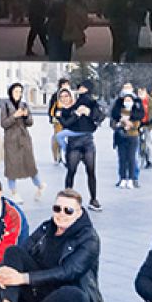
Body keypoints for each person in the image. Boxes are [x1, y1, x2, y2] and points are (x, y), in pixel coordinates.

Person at [0, 188, 106, 302]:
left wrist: (23, 278)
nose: (61, 214)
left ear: (79, 212)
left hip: (65, 291)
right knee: (12, 251)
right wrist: (0, 270)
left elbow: (69, 271)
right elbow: (23, 250)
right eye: (57, 209)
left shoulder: (89, 238)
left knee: (76, 298)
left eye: (68, 210)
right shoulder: (46, 227)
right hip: (38, 287)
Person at [57, 82, 103, 211]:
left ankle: (93, 199)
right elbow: (66, 124)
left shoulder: (87, 103)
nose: (65, 99)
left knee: (91, 171)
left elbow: (99, 117)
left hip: (88, 141)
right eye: (62, 97)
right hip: (74, 143)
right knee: (71, 171)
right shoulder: (62, 111)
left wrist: (88, 112)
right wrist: (77, 114)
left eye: (67, 96)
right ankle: (66, 200)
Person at [0, 83, 44, 201]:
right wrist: (15, 116)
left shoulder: (24, 104)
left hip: (24, 139)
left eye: (20, 91)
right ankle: (14, 193)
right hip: (11, 140)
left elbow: (30, 122)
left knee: (30, 165)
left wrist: (25, 116)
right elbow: (3, 124)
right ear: (10, 92)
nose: (18, 94)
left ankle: (40, 185)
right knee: (11, 167)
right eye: (16, 91)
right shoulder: (5, 105)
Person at [110, 85, 144, 190]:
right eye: (126, 99)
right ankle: (122, 178)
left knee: (131, 158)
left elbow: (138, 122)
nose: (127, 101)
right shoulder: (118, 109)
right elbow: (113, 122)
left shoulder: (136, 109)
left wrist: (131, 124)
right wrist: (121, 123)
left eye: (129, 99)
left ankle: (132, 178)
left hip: (132, 136)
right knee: (122, 158)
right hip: (120, 136)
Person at [47, 77, 72, 165]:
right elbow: (52, 108)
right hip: (59, 121)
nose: (66, 86)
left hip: (70, 120)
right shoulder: (56, 95)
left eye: (67, 84)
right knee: (58, 138)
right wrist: (52, 118)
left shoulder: (71, 94)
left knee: (71, 138)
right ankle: (57, 156)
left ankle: (68, 156)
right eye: (64, 84)